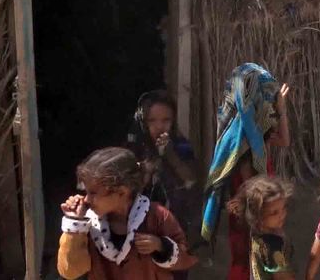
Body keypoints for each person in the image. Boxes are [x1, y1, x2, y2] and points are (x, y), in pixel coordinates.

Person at [199, 63, 290, 279]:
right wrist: (264, 218)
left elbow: (284, 141)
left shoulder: (258, 128)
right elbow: (251, 188)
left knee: (257, 256)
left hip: (262, 206)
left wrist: (282, 110)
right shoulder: (240, 139)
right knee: (248, 256)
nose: (270, 100)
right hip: (249, 210)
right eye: (265, 94)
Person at [56, 147, 197, 279]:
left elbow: (186, 259)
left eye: (93, 193)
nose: (86, 199)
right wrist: (75, 226)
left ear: (122, 192)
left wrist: (161, 246)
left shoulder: (158, 217)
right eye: (86, 192)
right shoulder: (89, 224)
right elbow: (70, 272)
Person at [124, 90, 197, 226]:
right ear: (143, 122)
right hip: (138, 222)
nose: (159, 126)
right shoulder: (134, 148)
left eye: (166, 120)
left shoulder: (181, 146)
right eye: (152, 120)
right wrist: (146, 169)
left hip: (174, 221)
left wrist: (171, 155)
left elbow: (191, 180)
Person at [228, 176, 296, 280]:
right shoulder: (272, 245)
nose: (282, 214)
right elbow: (282, 276)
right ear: (259, 217)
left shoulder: (256, 232)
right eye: (274, 213)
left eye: (284, 207)